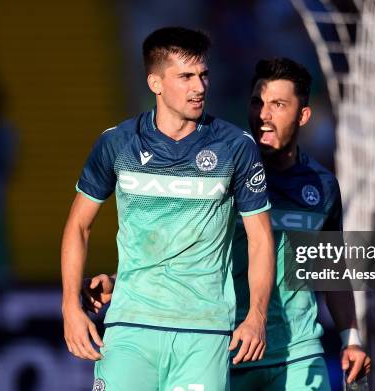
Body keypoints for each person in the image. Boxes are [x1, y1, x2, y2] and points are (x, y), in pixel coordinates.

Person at [83, 58, 372, 390]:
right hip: (229, 345)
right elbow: (178, 248)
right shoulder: (218, 172)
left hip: (298, 350)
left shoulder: (322, 186)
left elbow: (331, 270)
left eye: (278, 105)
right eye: (257, 103)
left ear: (303, 115)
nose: (263, 115)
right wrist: (121, 281)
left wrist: (351, 338)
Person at [61, 27, 275, 391]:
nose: (199, 87)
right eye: (186, 77)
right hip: (130, 324)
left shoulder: (236, 147)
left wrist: (256, 316)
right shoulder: (117, 143)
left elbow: (260, 239)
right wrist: (70, 307)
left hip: (204, 329)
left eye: (204, 75)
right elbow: (79, 226)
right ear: (155, 83)